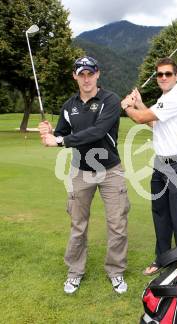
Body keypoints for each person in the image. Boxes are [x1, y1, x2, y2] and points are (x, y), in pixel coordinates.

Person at [38, 56, 130, 294]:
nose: (86, 79)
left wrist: (60, 140)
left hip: (110, 170)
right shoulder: (69, 106)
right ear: (75, 76)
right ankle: (75, 272)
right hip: (81, 172)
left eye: (90, 74)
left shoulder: (109, 100)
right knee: (78, 225)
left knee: (117, 224)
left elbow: (98, 132)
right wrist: (50, 133)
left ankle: (116, 271)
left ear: (98, 74)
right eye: (82, 74)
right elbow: (60, 133)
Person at [121, 57, 177, 276]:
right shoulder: (165, 98)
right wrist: (140, 104)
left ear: (176, 76)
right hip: (161, 164)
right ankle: (162, 258)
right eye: (160, 74)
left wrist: (127, 107)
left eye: (168, 74)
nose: (163, 77)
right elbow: (154, 121)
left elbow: (142, 119)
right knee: (160, 213)